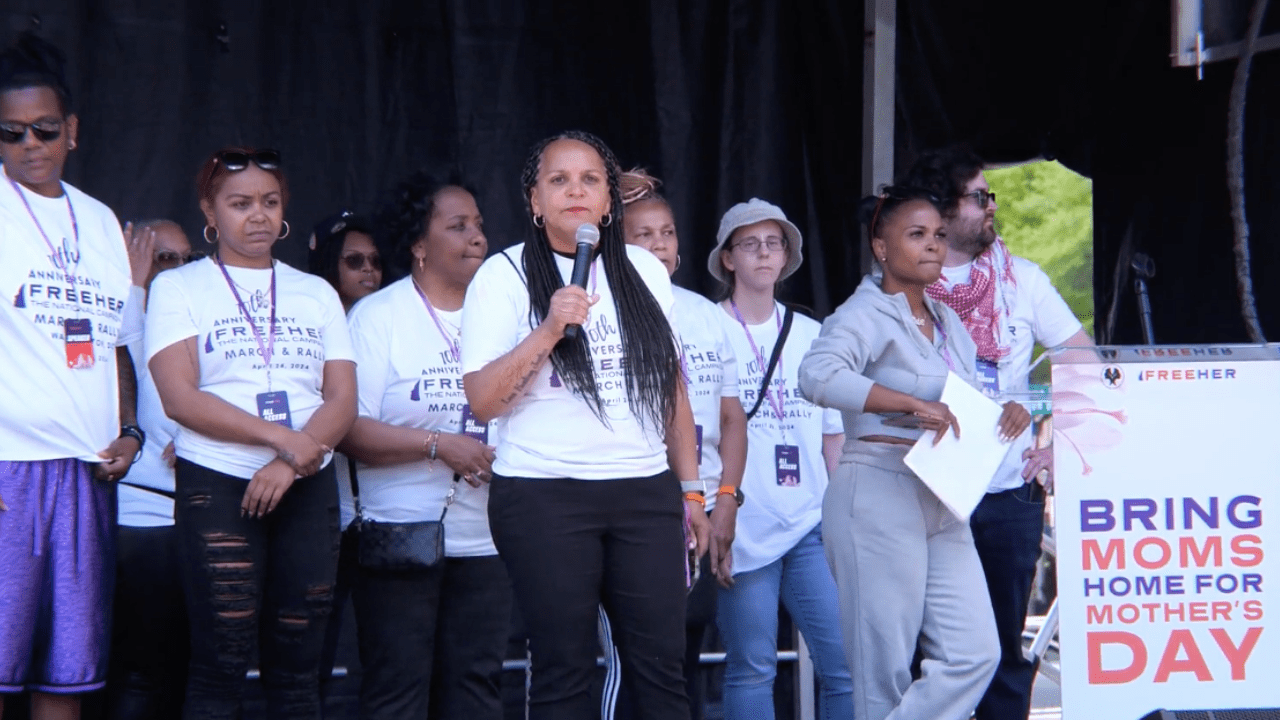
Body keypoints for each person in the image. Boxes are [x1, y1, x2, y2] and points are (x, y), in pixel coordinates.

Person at [460, 130, 709, 720]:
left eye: (590, 179)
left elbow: (670, 387)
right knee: (564, 669)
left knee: (660, 669)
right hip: (544, 495)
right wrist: (548, 330)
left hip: (644, 491)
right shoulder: (503, 276)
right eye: (559, 180)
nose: (576, 190)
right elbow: (483, 402)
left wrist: (692, 488)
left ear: (607, 202)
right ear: (535, 201)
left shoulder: (645, 270)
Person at [798, 186, 1030, 720]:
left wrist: (1007, 412)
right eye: (916, 235)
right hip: (878, 490)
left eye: (939, 236)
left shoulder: (948, 321)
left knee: (976, 652)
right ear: (882, 249)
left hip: (942, 494)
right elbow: (816, 375)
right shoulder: (864, 314)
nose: (933, 246)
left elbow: (962, 404)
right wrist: (905, 401)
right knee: (884, 672)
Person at [146, 146, 357, 719]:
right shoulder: (180, 287)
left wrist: (292, 460)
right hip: (217, 481)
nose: (257, 215)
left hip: (306, 483)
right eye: (240, 204)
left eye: (269, 201)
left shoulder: (316, 293)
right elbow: (180, 397)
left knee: (298, 671)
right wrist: (281, 439)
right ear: (209, 213)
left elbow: (342, 399)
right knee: (221, 662)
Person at [902, 146, 1092, 720]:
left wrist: (1058, 444)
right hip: (925, 495)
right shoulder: (904, 282)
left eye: (992, 196)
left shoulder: (1022, 279)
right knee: (928, 651)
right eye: (979, 197)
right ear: (941, 208)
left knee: (1005, 649)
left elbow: (1080, 356)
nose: (992, 207)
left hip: (1007, 492)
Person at [0, 32, 140, 720]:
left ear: (72, 130)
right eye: (12, 132)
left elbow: (115, 344)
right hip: (9, 473)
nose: (30, 143)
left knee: (69, 672)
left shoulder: (101, 219)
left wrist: (132, 431)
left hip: (87, 471)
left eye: (45, 129)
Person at [338, 171, 509, 719]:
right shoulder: (378, 318)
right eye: (458, 226)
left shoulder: (507, 317)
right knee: (398, 692)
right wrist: (439, 445)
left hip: (486, 538)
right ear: (418, 245)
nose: (477, 238)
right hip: (399, 535)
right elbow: (348, 429)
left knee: (476, 690)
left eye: (479, 225)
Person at [611, 169, 748, 720]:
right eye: (643, 234)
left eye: (666, 232)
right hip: (644, 505)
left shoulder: (707, 316)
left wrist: (727, 499)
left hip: (707, 504)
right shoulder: (608, 313)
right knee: (641, 658)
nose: (659, 244)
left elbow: (732, 419)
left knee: (687, 651)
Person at [708, 199, 853, 720]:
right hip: (741, 525)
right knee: (752, 666)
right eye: (750, 244)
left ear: (787, 255)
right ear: (727, 258)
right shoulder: (707, 329)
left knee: (845, 666)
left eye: (774, 243)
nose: (764, 253)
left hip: (810, 524)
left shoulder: (813, 334)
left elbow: (831, 437)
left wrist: (840, 520)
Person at [105, 219, 195, 720]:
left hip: (180, 520)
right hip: (147, 519)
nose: (179, 270)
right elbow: (160, 413)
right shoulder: (133, 315)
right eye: (164, 258)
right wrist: (132, 286)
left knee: (176, 671)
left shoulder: (184, 322)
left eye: (188, 259)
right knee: (142, 673)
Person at [307, 210, 382, 311]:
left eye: (375, 261)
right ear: (326, 263)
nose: (369, 268)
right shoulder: (306, 317)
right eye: (354, 260)